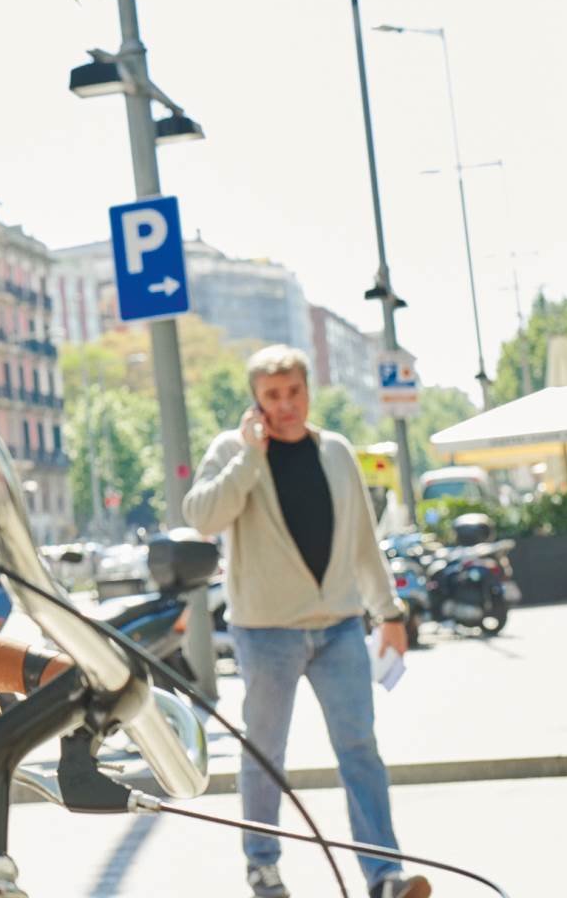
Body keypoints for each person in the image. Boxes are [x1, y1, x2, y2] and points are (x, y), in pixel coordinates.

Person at [183, 346, 428, 898]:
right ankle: (262, 865)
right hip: (266, 632)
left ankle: (384, 874)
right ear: (256, 400)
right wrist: (249, 456)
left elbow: (364, 542)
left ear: (307, 391)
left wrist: (389, 614)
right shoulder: (232, 449)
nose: (286, 405)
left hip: (340, 626)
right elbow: (201, 516)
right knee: (266, 754)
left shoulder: (337, 451)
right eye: (273, 396)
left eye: (294, 392)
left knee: (360, 749)